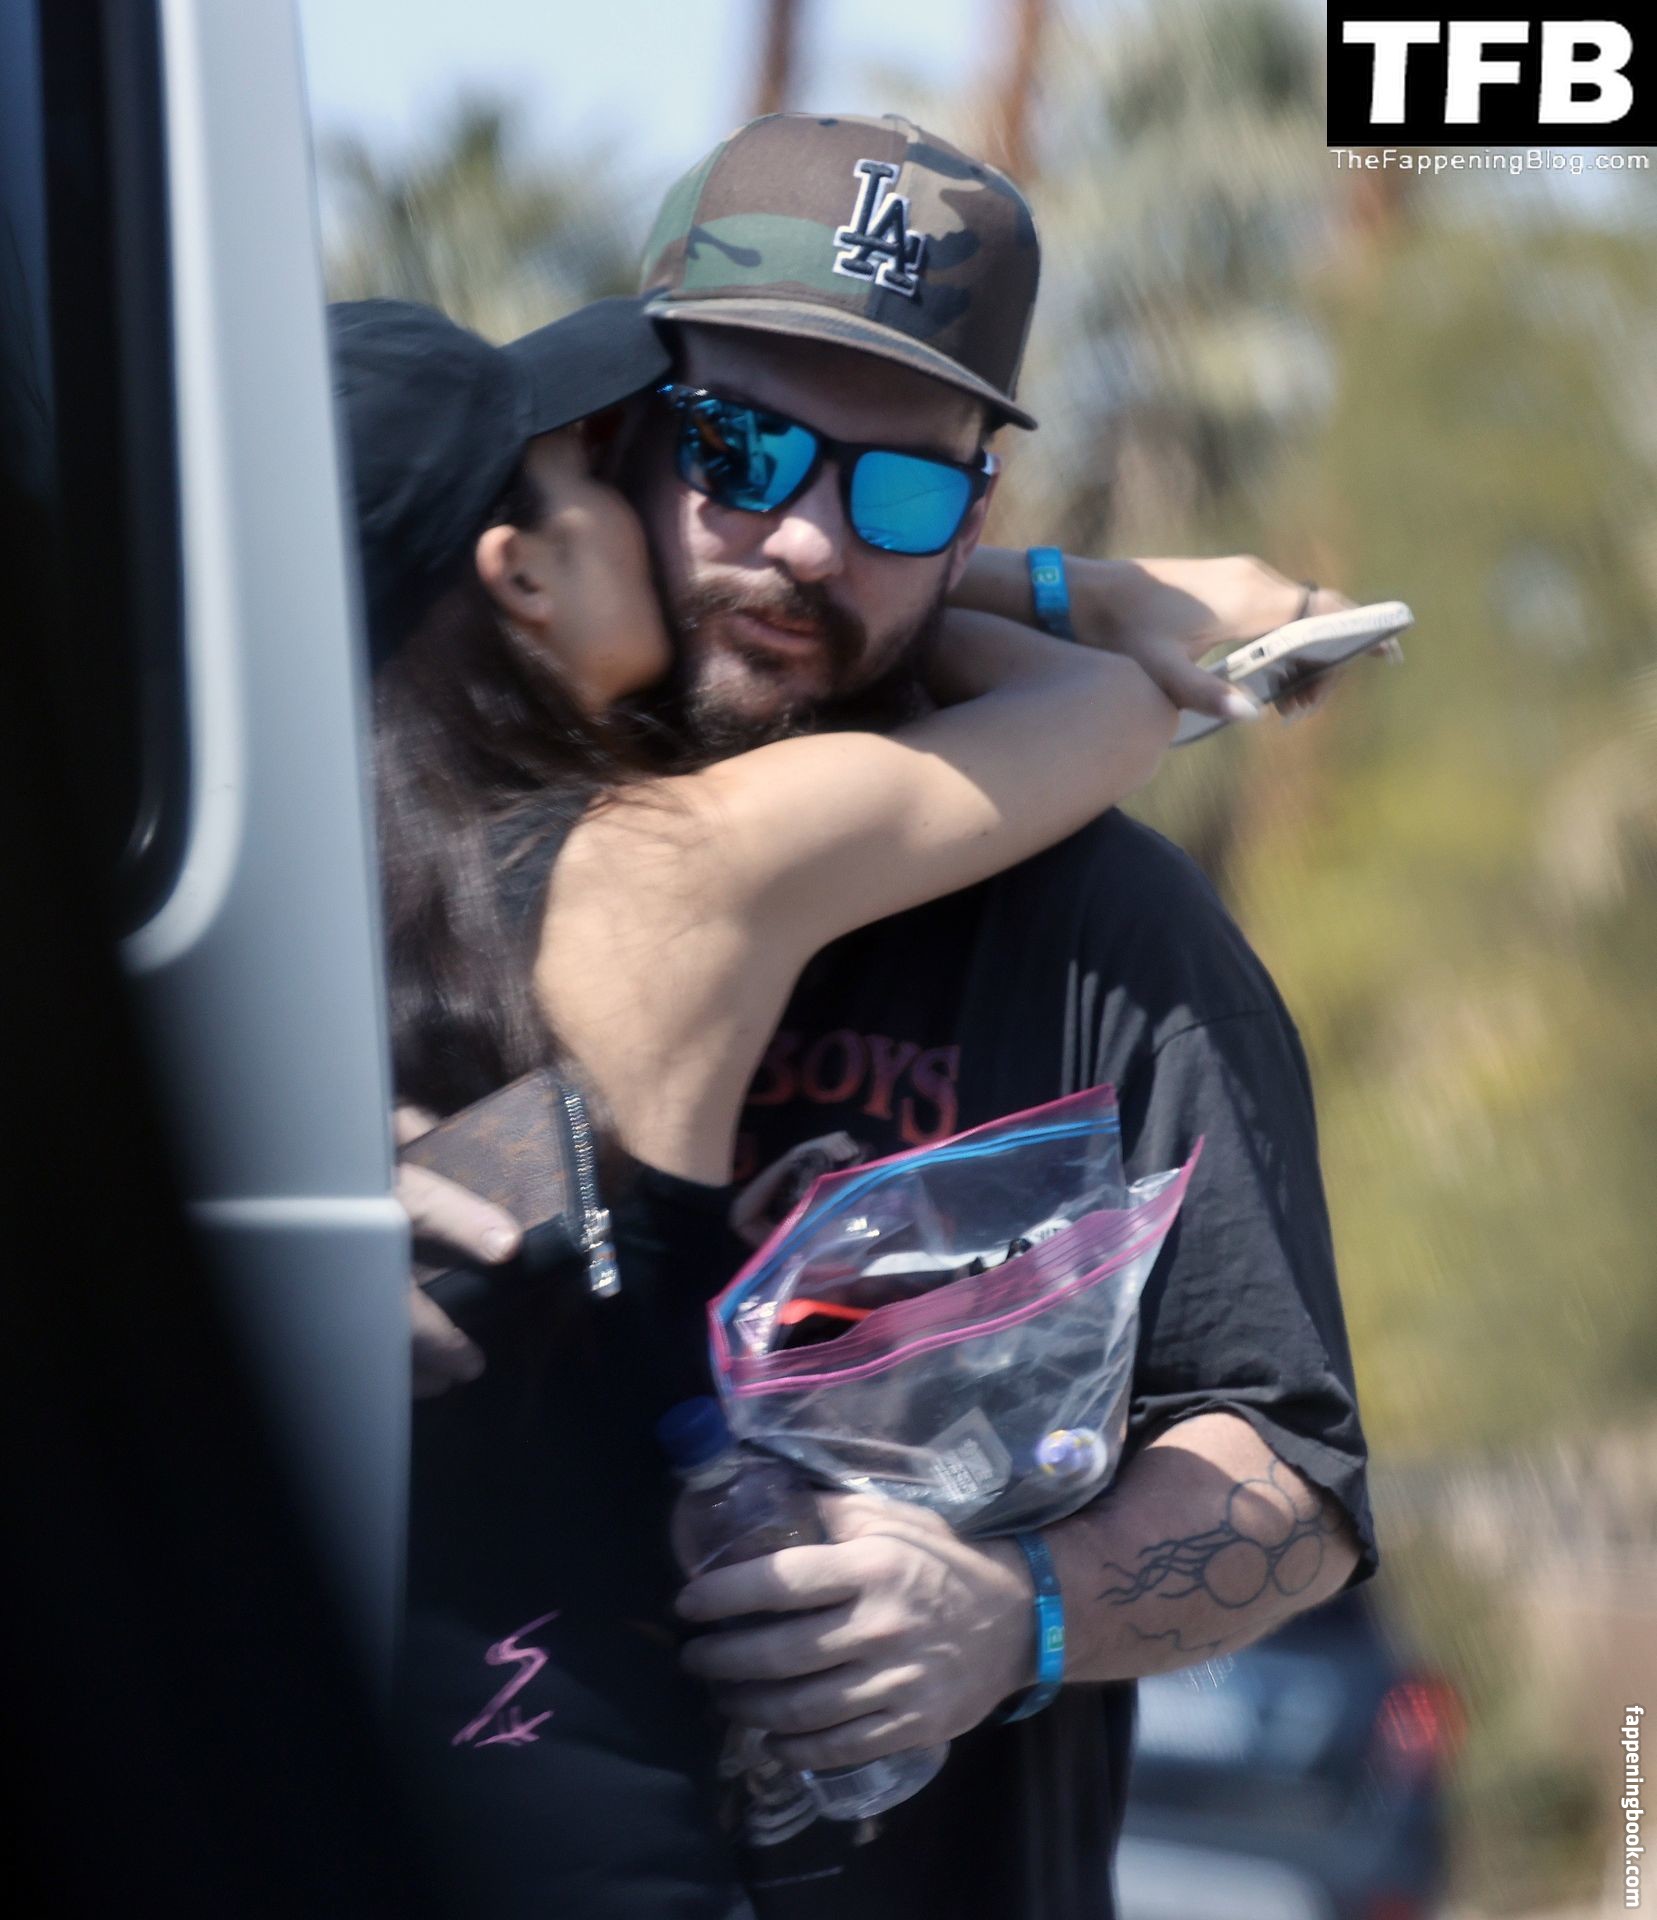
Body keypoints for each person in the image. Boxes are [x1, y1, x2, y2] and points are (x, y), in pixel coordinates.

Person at [332, 282, 1286, 1917]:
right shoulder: (673, 874)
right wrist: (1053, 588)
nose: (787, 538)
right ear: (521, 574)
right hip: (577, 1824)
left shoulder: (291, 916)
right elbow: (1108, 707)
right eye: (599, 473)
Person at [594, 113, 1376, 1920]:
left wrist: (1012, 1612)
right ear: (618, 433)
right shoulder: (430, 834)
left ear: (974, 517)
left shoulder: (1111, 931)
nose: (804, 541)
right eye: (736, 449)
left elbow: (1294, 1475)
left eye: (896, 494)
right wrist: (1085, 600)